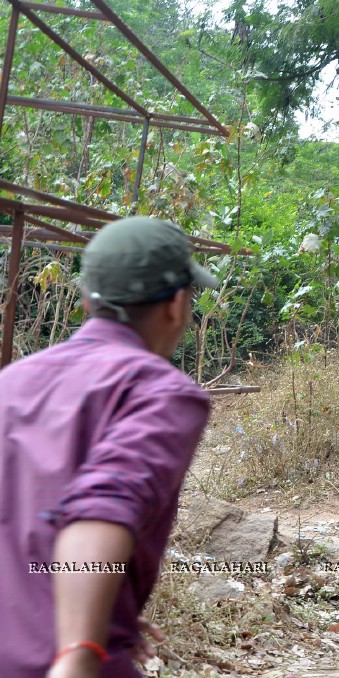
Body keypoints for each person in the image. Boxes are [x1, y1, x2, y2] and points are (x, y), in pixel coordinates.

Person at [0, 216, 216, 676]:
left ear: (85, 301)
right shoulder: (159, 392)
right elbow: (102, 509)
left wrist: (108, 606)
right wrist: (79, 647)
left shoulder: (13, 383)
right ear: (177, 305)